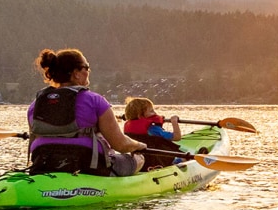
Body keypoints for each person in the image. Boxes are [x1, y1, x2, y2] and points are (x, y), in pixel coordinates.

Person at [25, 48, 151, 176]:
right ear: (76, 73)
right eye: (86, 67)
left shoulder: (35, 105)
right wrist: (138, 146)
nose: (88, 71)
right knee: (139, 159)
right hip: (89, 166)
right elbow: (120, 144)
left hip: (44, 164)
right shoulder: (95, 101)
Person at [121, 97, 185, 166]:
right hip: (156, 161)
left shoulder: (128, 126)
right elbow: (177, 137)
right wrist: (174, 122)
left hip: (140, 161)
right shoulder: (152, 128)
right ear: (140, 116)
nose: (155, 113)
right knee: (185, 158)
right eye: (151, 111)